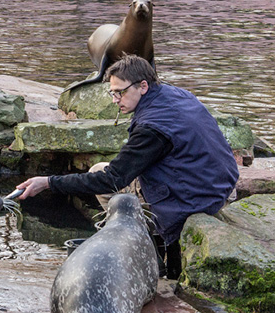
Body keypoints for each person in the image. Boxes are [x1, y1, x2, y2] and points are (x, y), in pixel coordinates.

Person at [14, 54, 239, 279]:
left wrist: (48, 183)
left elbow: (112, 179)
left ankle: (143, 252)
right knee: (113, 171)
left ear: (142, 86)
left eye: (120, 92)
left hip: (195, 199)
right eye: (112, 93)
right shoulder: (175, 95)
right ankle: (151, 243)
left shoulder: (152, 127)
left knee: (100, 177)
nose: (115, 100)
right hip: (223, 186)